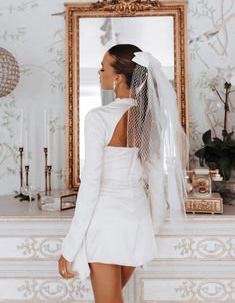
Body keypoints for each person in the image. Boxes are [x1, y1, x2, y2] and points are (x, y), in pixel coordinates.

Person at [58, 44, 188, 303]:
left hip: (107, 223)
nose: (99, 72)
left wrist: (69, 247)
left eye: (103, 67)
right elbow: (153, 178)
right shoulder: (148, 118)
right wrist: (153, 223)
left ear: (117, 77)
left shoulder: (99, 117)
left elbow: (91, 185)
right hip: (137, 222)